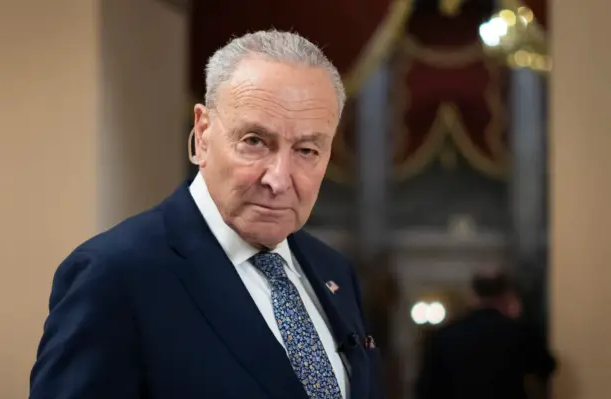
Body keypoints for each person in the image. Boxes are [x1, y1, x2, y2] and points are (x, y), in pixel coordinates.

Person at [29, 30, 383, 399]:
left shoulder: (332, 271)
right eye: (255, 141)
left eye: (307, 150)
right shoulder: (114, 276)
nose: (278, 179)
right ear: (202, 134)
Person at [416, 268, 556, 399]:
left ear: (472, 294)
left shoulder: (446, 335)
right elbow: (547, 366)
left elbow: (426, 388)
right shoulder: (518, 332)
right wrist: (519, 316)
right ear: (507, 296)